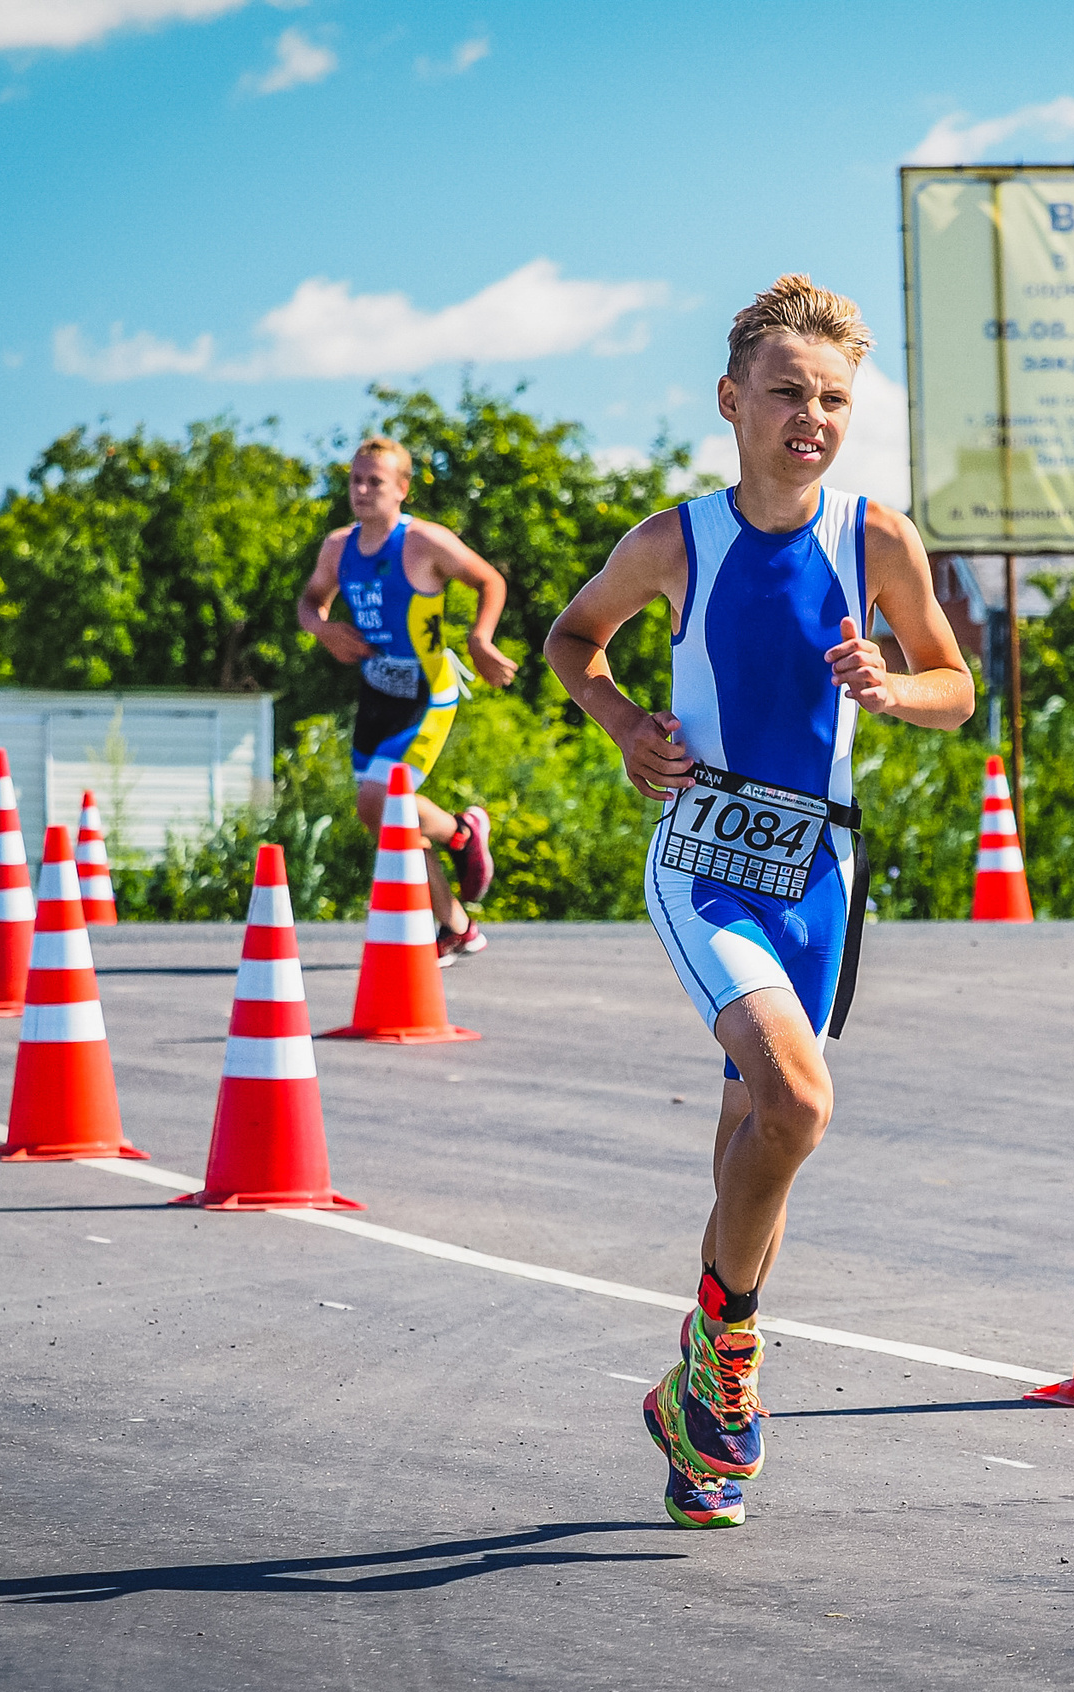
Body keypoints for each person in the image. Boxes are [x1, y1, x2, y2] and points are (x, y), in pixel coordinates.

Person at [546, 275, 973, 1530]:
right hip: (704, 856)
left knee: (758, 1144)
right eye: (786, 390)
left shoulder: (879, 539)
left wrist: (895, 690)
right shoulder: (675, 540)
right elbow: (577, 641)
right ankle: (727, 1366)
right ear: (732, 400)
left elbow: (955, 685)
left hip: (819, 876)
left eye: (835, 397)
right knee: (795, 1100)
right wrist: (627, 726)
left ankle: (694, 1410)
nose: (812, 414)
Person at [296, 437, 516, 962]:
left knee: (379, 802)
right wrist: (323, 629)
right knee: (384, 820)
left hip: (427, 693)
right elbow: (310, 601)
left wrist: (480, 639)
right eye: (356, 480)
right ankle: (457, 924)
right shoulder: (337, 547)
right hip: (376, 694)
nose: (363, 489)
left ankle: (461, 834)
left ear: (402, 488)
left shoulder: (422, 541)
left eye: (375, 480)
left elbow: (489, 580)